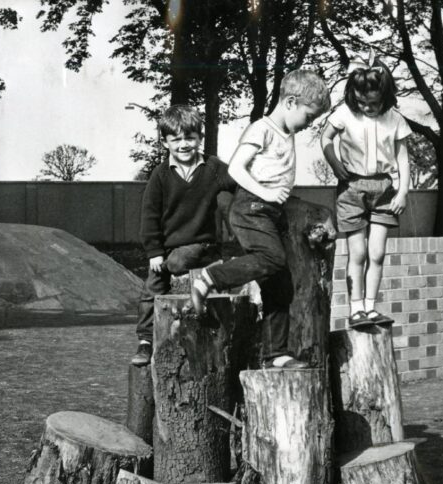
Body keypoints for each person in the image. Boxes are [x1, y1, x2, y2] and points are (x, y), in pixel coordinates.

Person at [189, 69, 331, 369]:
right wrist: (265, 193)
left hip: (270, 213)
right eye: (309, 116)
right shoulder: (261, 130)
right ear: (290, 102)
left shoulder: (286, 133)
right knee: (272, 258)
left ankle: (275, 353)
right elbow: (236, 171)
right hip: (250, 208)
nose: (310, 124)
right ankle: (211, 278)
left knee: (280, 286)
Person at [132, 105, 237, 367]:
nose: (184, 145)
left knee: (179, 262)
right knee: (151, 289)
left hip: (201, 244)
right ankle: (145, 341)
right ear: (165, 142)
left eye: (189, 138)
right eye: (176, 139)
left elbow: (239, 182)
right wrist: (154, 251)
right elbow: (149, 216)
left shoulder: (213, 168)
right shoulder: (161, 175)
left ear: (200, 138)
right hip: (166, 249)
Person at [320, 51, 411, 328]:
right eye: (362, 102)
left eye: (374, 103)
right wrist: (334, 162)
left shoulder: (394, 118)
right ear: (353, 96)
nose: (368, 108)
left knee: (377, 253)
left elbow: (403, 157)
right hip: (351, 188)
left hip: (384, 188)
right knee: (356, 253)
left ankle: (371, 307)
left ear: (384, 97)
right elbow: (325, 137)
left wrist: (403, 192)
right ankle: (356, 308)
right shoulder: (345, 114)